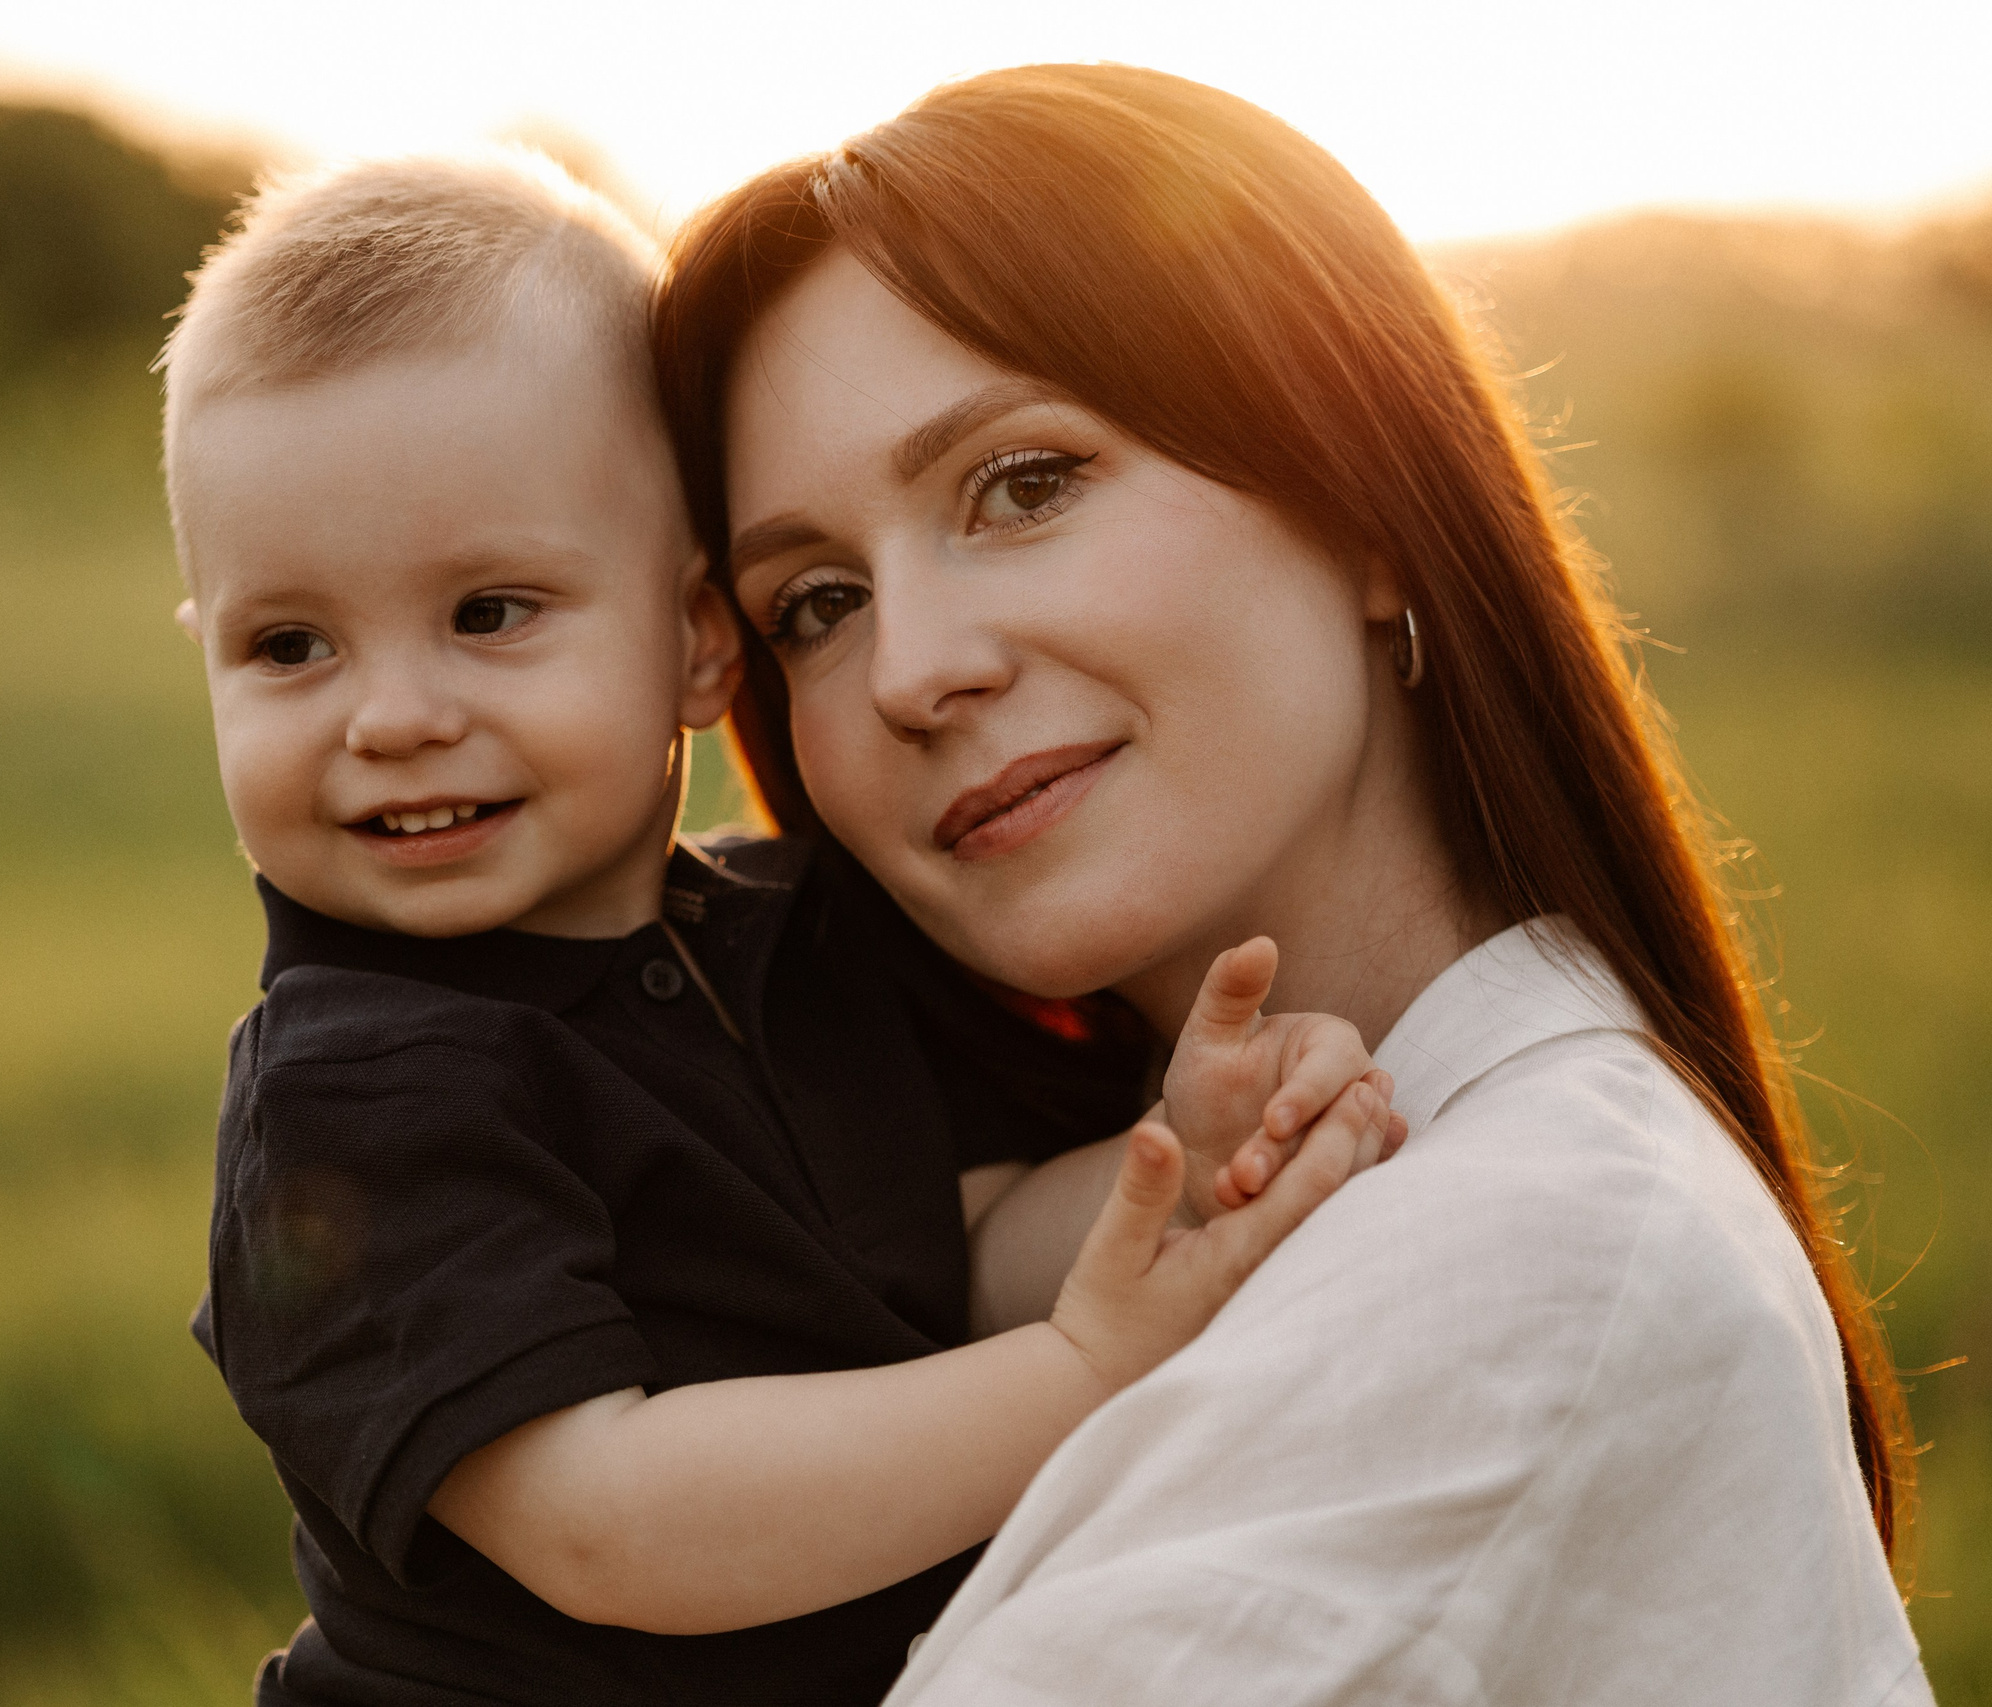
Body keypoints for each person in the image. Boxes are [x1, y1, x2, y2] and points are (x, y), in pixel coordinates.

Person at [654, 62, 1930, 1706]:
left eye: (1024, 484)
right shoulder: (1050, 1248)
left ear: (1369, 505)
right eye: (815, 600)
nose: (912, 669)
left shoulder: (1522, 1259)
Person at [158, 149, 1401, 1707]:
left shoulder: (800, 933)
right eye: (291, 645)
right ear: (205, 658)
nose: (394, 716)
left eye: (488, 614)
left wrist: (1172, 1169)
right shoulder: (359, 1092)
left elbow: (961, 1245)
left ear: (695, 641)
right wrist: (1082, 1373)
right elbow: (613, 1528)